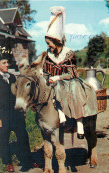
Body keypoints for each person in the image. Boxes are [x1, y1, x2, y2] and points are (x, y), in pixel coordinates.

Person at [42, 6, 98, 139]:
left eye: (49, 43)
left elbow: (71, 73)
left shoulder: (69, 53)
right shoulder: (48, 54)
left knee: (74, 90)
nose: (48, 46)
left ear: (56, 42)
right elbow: (45, 71)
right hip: (54, 82)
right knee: (49, 92)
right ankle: (60, 116)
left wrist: (57, 77)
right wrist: (46, 78)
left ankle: (79, 123)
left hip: (68, 81)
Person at [0, 56, 37, 172]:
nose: (7, 65)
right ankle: (8, 162)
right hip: (2, 115)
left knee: (23, 136)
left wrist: (22, 111)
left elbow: (19, 94)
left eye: (7, 62)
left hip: (16, 114)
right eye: (4, 63)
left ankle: (27, 161)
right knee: (4, 139)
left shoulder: (13, 77)